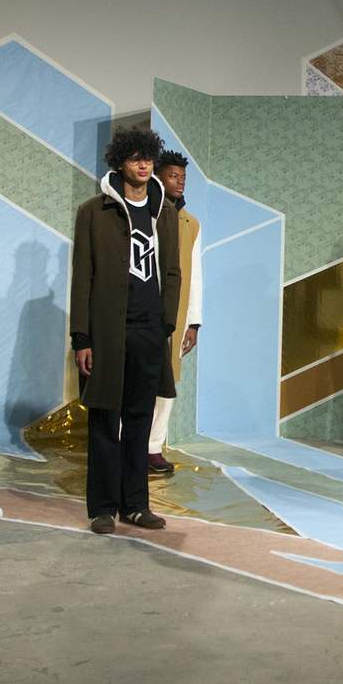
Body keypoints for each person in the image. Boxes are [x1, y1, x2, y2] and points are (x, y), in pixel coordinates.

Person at [72, 128, 181, 534]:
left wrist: (166, 322)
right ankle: (102, 508)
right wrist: (81, 337)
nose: (143, 164)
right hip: (107, 333)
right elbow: (82, 276)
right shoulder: (93, 211)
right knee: (105, 419)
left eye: (148, 157)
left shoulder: (164, 211)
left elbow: (172, 272)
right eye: (135, 157)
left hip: (149, 331)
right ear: (120, 162)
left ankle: (135, 505)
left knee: (139, 420)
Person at [145, 151, 203, 475]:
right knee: (136, 378)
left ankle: (153, 447)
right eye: (173, 175)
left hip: (176, 315)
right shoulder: (143, 214)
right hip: (142, 310)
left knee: (167, 382)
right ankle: (127, 443)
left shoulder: (191, 224)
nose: (179, 182)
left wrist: (193, 322)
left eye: (183, 177)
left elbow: (196, 275)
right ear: (158, 177)